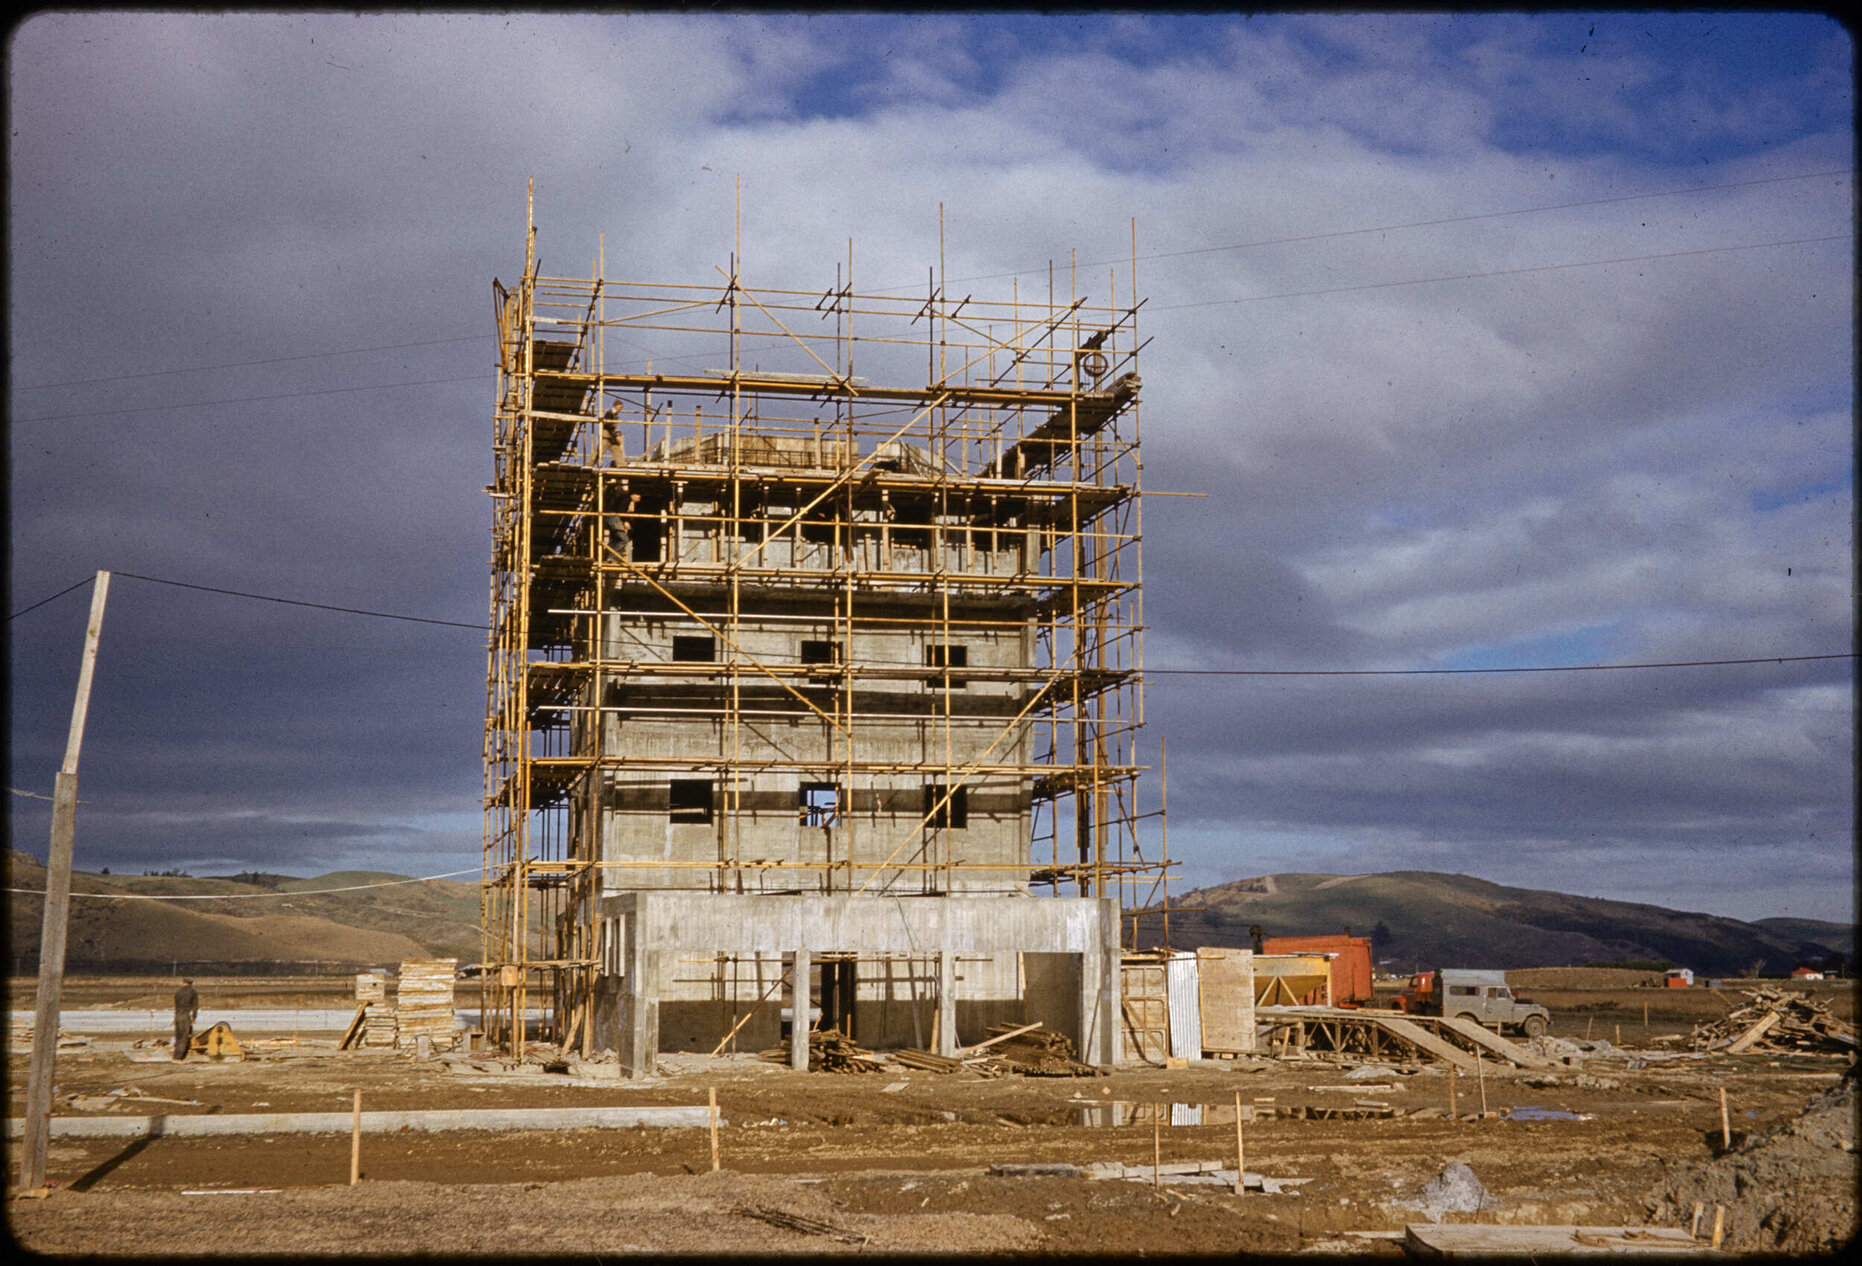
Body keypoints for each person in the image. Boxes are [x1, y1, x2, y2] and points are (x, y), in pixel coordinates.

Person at [173, 979, 199, 1060]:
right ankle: (179, 1056)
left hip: (177, 1015)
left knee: (178, 1035)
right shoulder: (193, 992)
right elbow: (195, 1005)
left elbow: (176, 1004)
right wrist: (194, 1017)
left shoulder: (178, 992)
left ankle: (177, 1053)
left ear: (183, 983)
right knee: (184, 1036)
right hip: (185, 1015)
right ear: (190, 984)